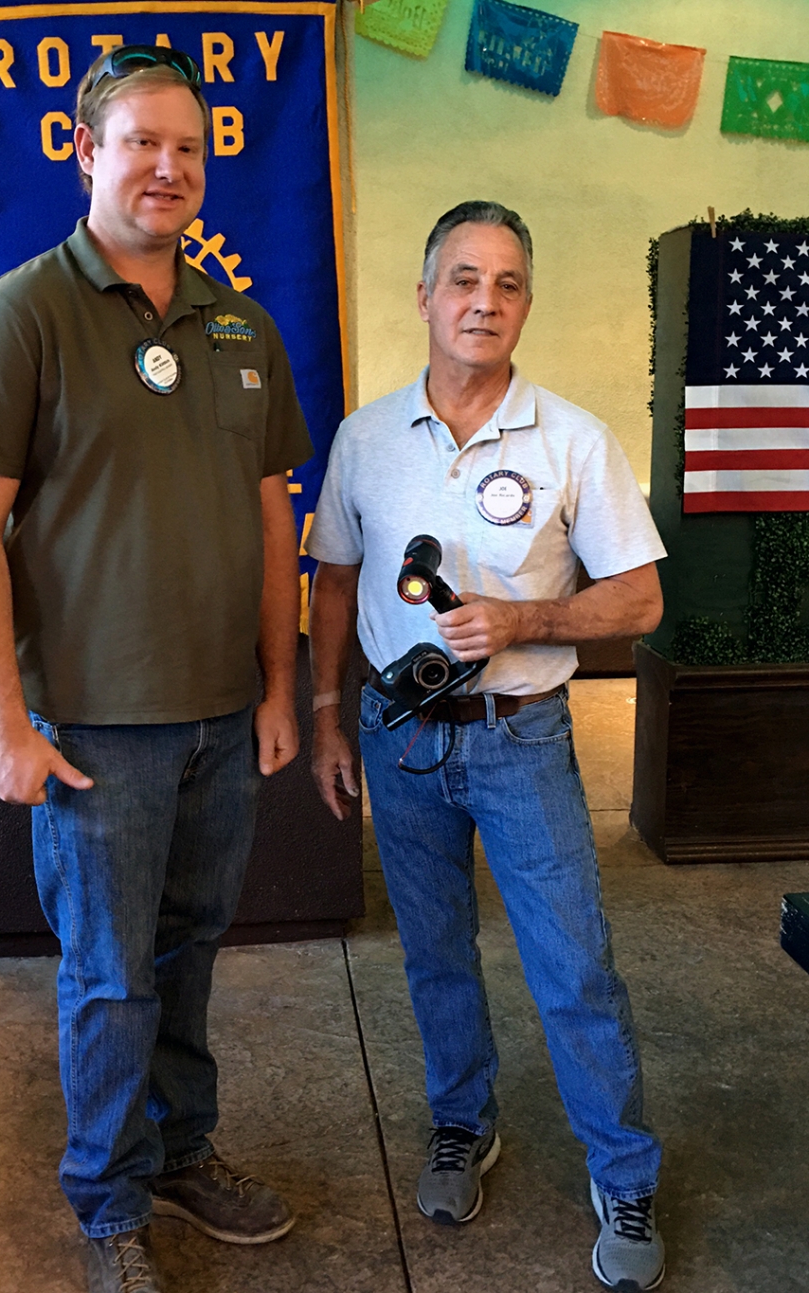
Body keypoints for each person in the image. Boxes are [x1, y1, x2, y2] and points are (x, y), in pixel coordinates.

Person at [0, 45, 312, 1293]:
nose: (167, 166)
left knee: (191, 952)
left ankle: (182, 1156)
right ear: (84, 154)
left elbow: (270, 520)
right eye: (140, 141)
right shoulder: (23, 314)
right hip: (94, 731)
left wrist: (274, 687)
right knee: (106, 975)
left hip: (218, 721)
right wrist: (2, 721)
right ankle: (108, 1203)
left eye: (188, 147)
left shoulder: (241, 326)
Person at [307, 201, 667, 1292]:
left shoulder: (572, 439)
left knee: (574, 969)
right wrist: (328, 715)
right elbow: (331, 577)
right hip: (399, 739)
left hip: (522, 738)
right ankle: (463, 1123)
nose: (483, 301)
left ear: (524, 305)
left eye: (507, 284)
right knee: (433, 958)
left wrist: (522, 621)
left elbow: (640, 599)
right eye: (462, 279)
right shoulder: (366, 437)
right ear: (423, 297)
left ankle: (624, 1173)